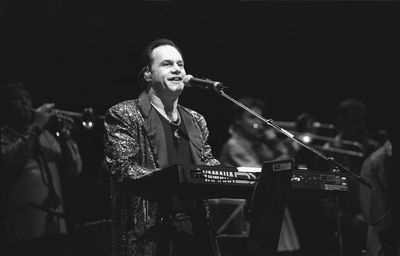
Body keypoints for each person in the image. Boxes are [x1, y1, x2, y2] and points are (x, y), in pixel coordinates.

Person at [103, 38, 221, 256]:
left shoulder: (196, 119)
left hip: (195, 234)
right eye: (167, 64)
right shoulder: (124, 114)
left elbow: (207, 161)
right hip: (149, 234)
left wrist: (226, 174)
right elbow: (123, 168)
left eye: (180, 64)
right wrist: (175, 178)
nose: (177, 69)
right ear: (147, 74)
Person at [0, 81, 83, 256]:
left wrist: (65, 138)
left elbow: (73, 170)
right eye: (18, 99)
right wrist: (36, 126)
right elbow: (9, 163)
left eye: (27, 98)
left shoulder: (46, 136)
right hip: (24, 233)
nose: (25, 103)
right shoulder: (4, 137)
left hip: (57, 229)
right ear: (6, 106)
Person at [219, 97, 300, 255]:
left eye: (260, 118)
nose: (258, 123)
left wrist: (277, 143)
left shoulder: (259, 143)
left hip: (265, 206)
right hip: (247, 211)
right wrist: (288, 152)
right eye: (251, 117)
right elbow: (262, 174)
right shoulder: (234, 145)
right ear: (237, 120)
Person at [313, 98, 382, 256]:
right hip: (343, 226)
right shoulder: (327, 152)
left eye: (363, 120)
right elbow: (324, 196)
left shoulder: (372, 147)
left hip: (374, 222)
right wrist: (349, 219)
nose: (361, 126)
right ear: (342, 121)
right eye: (355, 120)